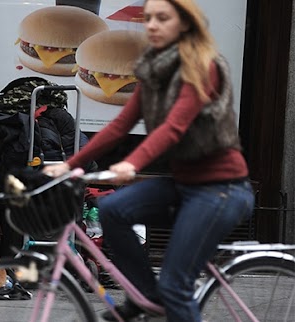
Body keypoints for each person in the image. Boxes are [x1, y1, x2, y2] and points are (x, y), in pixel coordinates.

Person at [44, 0, 254, 320]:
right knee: (113, 209)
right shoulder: (153, 70)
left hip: (221, 190)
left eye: (163, 18)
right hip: (185, 185)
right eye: (149, 18)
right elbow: (119, 127)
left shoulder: (202, 66)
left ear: (184, 23)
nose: (152, 25)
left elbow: (175, 126)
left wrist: (133, 162)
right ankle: (144, 295)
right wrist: (71, 164)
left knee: (175, 285)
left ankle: (161, 293)